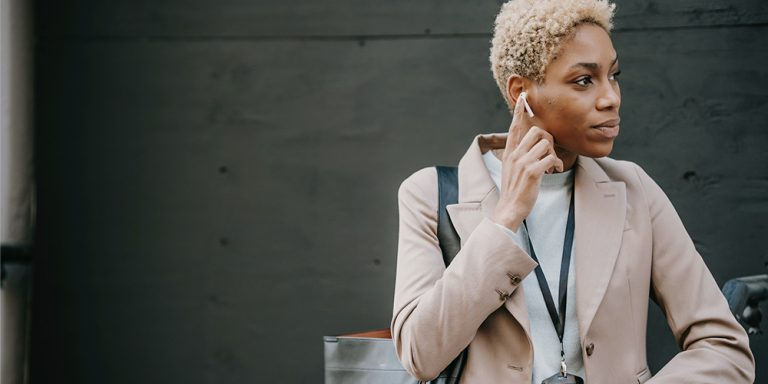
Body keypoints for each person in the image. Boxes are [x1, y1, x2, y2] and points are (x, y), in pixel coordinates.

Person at [390, 0, 756, 383]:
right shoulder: (429, 194)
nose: (610, 97)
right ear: (521, 94)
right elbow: (419, 355)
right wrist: (506, 217)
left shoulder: (634, 189)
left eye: (613, 75)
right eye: (584, 80)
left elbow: (723, 346)